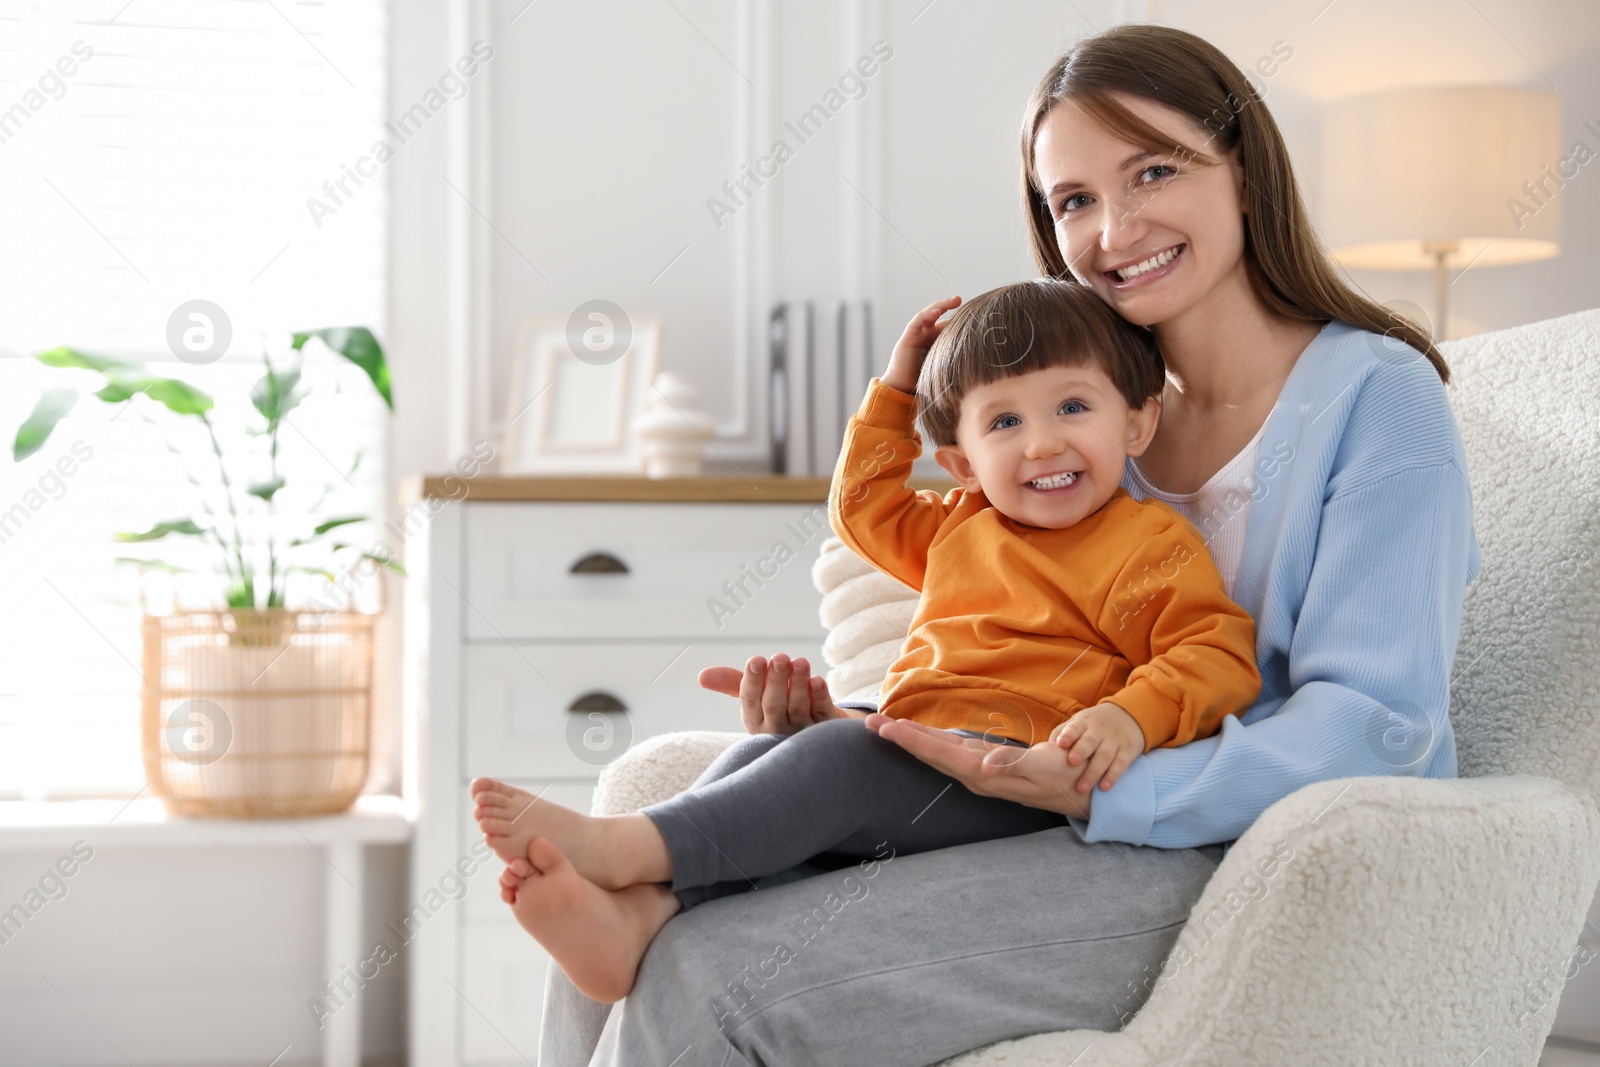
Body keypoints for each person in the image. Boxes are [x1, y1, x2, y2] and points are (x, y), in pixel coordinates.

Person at [534, 22, 1481, 1067]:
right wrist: (836, 736)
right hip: (1026, 804)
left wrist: (1103, 783)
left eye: (1153, 170)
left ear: (1246, 173)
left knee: (706, 972)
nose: (1113, 227)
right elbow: (992, 626)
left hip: (1225, 853)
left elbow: (1378, 725)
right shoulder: (1086, 428)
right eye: (1072, 200)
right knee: (626, 882)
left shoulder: (1376, 397)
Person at [468, 278, 1264, 1003]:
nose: (1043, 444)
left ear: (1138, 420)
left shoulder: (1146, 545)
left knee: (838, 758)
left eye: (1073, 408)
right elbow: (861, 505)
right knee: (761, 759)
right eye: (1006, 421)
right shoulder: (962, 525)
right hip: (919, 752)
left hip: (1016, 784)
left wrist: (1128, 718)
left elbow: (1217, 653)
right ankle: (643, 914)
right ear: (961, 461)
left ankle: (628, 847)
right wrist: (898, 384)